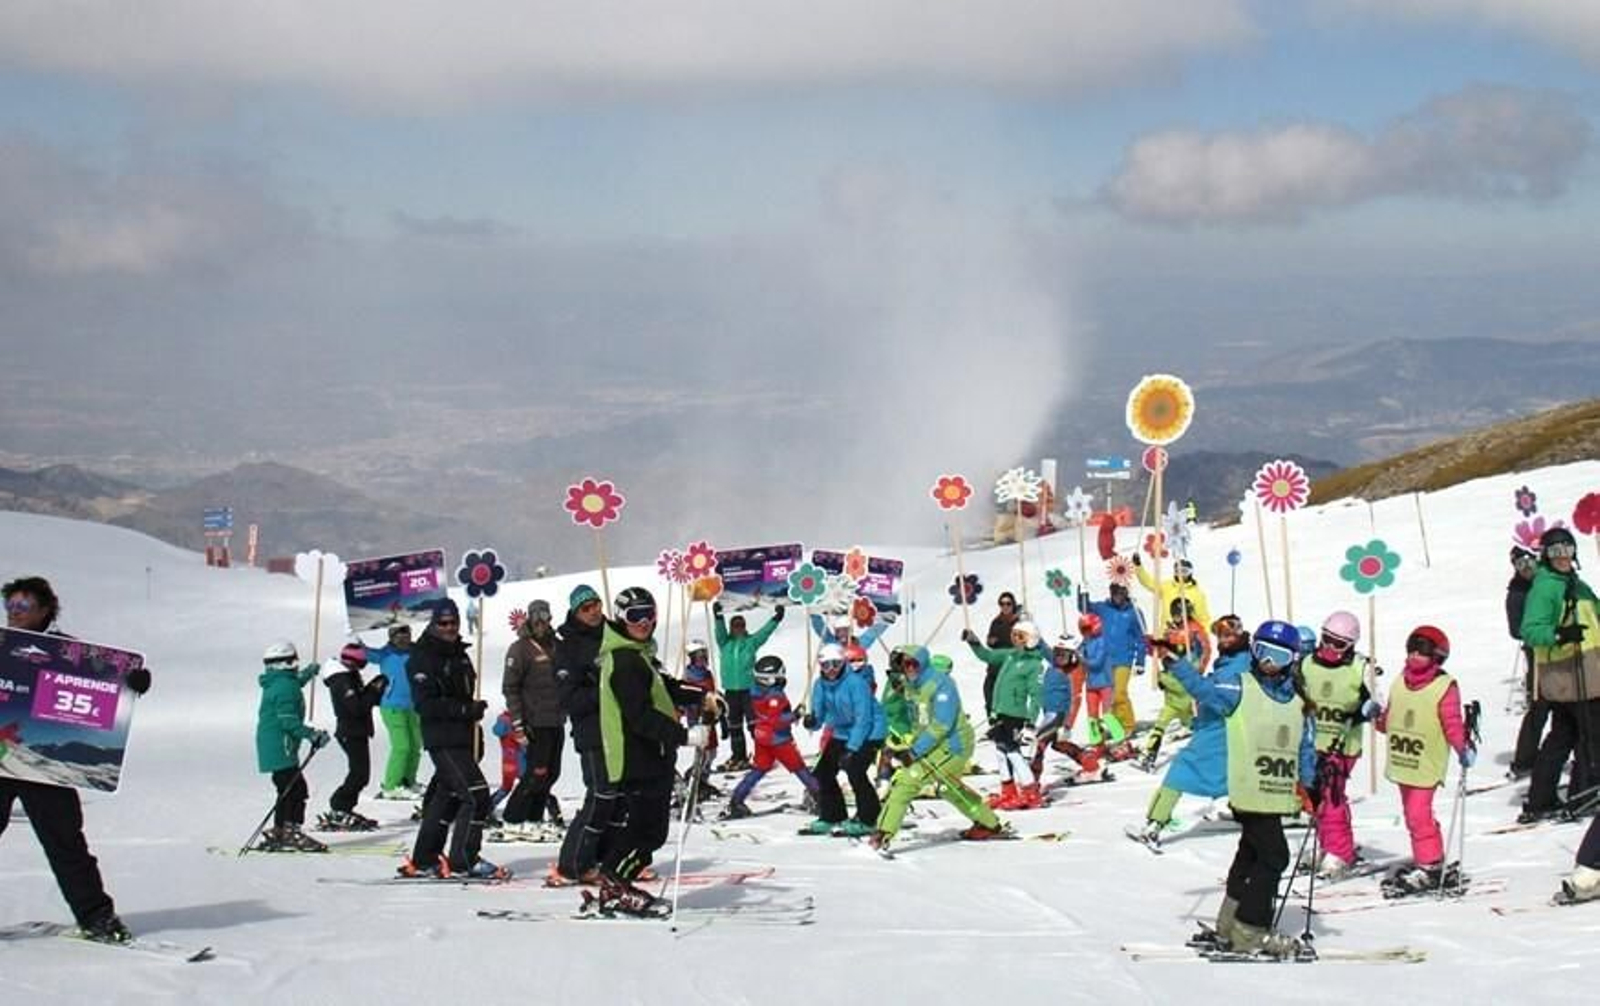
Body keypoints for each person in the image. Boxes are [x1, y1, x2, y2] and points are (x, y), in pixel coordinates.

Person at [1, 576, 151, 943]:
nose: (13, 614)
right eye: (9, 607)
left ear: (45, 609)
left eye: (22, 606)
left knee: (66, 844)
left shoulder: (70, 653)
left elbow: (105, 685)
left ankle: (97, 918)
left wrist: (134, 682)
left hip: (44, 769)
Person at [1185, 619, 1317, 958]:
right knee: (1275, 855)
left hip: (1275, 791)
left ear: (1293, 659)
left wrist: (1310, 783)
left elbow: (1304, 745)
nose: (1269, 662)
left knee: (1253, 853)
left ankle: (1229, 925)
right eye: (1262, 652)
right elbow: (1205, 691)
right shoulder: (1240, 686)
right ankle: (1250, 932)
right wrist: (1174, 663)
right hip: (1248, 788)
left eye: (1278, 655)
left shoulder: (1298, 699)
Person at [592, 587, 715, 917]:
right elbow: (639, 716)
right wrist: (685, 736)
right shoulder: (625, 660)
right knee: (646, 830)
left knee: (651, 830)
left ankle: (616, 883)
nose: (644, 622)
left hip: (652, 755)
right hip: (637, 756)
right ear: (620, 618)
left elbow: (668, 686)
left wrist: (702, 697)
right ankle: (614, 885)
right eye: (635, 616)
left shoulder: (639, 654)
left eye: (649, 614)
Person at [398, 600, 507, 880]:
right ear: (432, 625)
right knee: (477, 794)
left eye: (453, 623)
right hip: (442, 738)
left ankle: (425, 858)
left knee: (446, 799)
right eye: (443, 623)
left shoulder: (459, 654)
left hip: (463, 736)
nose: (449, 628)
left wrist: (473, 711)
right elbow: (425, 704)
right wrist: (463, 709)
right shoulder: (422, 658)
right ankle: (464, 859)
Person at [870, 646, 1010, 854]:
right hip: (933, 745)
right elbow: (917, 722)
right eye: (903, 664)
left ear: (923, 663)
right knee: (948, 788)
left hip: (954, 745)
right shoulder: (910, 686)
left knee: (906, 782)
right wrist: (903, 745)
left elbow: (941, 726)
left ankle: (882, 834)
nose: (908, 669)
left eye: (912, 663)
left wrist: (914, 752)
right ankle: (989, 823)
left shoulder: (941, 685)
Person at [1127, 615, 1250, 850]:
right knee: (1223, 777)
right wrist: (1169, 656)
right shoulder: (1230, 662)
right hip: (1213, 728)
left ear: (1240, 635)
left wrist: (1174, 662)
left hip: (1219, 733)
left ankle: (1154, 825)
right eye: (1219, 635)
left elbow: (1208, 692)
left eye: (1228, 634)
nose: (1223, 640)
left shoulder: (1239, 666)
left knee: (1180, 770)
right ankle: (1236, 809)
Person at [1373, 626, 1476, 895]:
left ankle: (1430, 865)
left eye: (1425, 650)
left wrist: (1462, 748)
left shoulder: (1444, 687)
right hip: (1403, 761)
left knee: (1419, 814)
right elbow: (1389, 721)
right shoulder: (1400, 681)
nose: (1416, 654)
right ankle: (1429, 857)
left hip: (1425, 763)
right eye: (1413, 647)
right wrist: (1377, 716)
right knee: (1413, 816)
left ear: (1438, 656)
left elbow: (1452, 723)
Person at [1519, 526, 1600, 822]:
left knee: (1563, 736)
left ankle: (1541, 798)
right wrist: (1559, 634)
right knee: (1592, 736)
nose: (1563, 557)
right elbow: (1529, 630)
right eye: (1555, 552)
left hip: (1586, 671)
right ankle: (1586, 794)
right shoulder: (1546, 587)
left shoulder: (1576, 584)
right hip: (1571, 674)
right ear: (1546, 555)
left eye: (1567, 550)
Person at [1295, 611, 1376, 878]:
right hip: (1312, 743)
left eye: (1338, 644)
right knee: (1315, 796)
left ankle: (1340, 851)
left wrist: (1363, 710)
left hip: (1342, 744)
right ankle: (1326, 843)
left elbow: (1379, 701)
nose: (1330, 648)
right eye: (1327, 640)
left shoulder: (1359, 668)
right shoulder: (1307, 663)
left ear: (1351, 645)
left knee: (1332, 795)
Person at [551, 584, 609, 886]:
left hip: (621, 730)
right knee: (600, 796)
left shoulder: (612, 632)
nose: (594, 612)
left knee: (619, 798)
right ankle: (572, 863)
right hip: (591, 731)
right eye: (586, 608)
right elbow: (566, 698)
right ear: (575, 612)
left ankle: (606, 860)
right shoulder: (567, 645)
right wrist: (602, 692)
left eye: (596, 604)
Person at [723, 654, 821, 820]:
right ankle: (821, 799)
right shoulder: (775, 696)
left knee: (759, 769)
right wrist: (795, 715)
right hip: (779, 740)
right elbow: (776, 720)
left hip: (762, 736)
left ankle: (737, 800)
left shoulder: (755, 691)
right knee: (799, 768)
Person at [254, 639, 330, 853]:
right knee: (296, 789)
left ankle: (280, 829)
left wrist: (308, 673)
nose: (296, 663)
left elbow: (293, 684)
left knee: (286, 788)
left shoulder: (279, 682)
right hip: (281, 746)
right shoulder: (285, 687)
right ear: (284, 663)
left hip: (274, 745)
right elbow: (288, 721)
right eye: (293, 660)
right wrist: (312, 734)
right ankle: (291, 831)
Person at [802, 644, 886, 835]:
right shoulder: (819, 685)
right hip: (842, 731)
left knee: (855, 770)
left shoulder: (856, 683)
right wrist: (812, 721)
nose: (831, 670)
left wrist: (852, 748)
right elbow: (820, 714)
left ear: (843, 663)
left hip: (871, 731)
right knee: (823, 772)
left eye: (835, 664)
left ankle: (869, 818)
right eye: (825, 665)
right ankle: (833, 815)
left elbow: (863, 719)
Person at [499, 599, 566, 840]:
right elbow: (510, 687)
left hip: (556, 720)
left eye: (544, 615)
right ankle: (512, 818)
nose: (540, 620)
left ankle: (533, 818)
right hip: (534, 721)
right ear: (528, 618)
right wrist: (517, 722)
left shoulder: (557, 646)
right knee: (536, 773)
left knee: (551, 773)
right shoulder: (520, 648)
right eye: (535, 615)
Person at [962, 621, 1045, 809]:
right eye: (1014, 635)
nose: (1015, 639)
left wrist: (1031, 723)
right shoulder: (1010, 656)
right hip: (1001, 711)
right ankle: (1008, 791)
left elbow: (1036, 695)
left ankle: (1031, 792)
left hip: (1016, 714)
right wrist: (973, 642)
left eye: (1021, 636)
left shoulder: (1033, 664)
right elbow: (988, 656)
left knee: (1012, 752)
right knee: (1000, 752)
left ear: (1031, 640)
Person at [318, 641, 387, 831]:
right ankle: (339, 807)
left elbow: (361, 700)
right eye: (361, 663)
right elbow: (356, 707)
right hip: (350, 731)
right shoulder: (341, 679)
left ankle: (344, 808)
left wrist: (375, 690)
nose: (362, 668)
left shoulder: (349, 675)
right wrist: (374, 690)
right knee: (359, 774)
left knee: (360, 774)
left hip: (357, 730)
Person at [713, 602, 785, 772]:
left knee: (755, 725)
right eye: (735, 625)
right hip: (731, 691)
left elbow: (764, 633)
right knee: (734, 726)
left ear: (744, 627)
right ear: (731, 627)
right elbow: (719, 631)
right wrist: (718, 616)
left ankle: (765, 754)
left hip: (748, 690)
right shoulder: (725, 643)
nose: (738, 628)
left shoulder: (751, 642)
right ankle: (739, 757)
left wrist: (776, 619)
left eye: (741, 625)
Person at [1137, 598, 1208, 771]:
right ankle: (1150, 754)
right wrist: (1152, 645)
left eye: (1180, 614)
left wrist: (1199, 669)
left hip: (1185, 686)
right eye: (1175, 614)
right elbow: (1162, 652)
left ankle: (1206, 752)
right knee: (1162, 723)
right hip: (1171, 691)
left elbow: (1205, 650)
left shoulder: (1195, 629)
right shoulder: (1171, 630)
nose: (1177, 617)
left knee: (1191, 722)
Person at [1080, 582, 1148, 735]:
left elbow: (1141, 638)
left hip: (1124, 658)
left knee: (1119, 693)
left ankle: (1128, 725)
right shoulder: (1103, 608)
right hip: (1105, 660)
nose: (1118, 596)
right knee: (1110, 697)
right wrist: (1082, 593)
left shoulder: (1134, 612)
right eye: (1115, 593)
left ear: (1126, 593)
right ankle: (1116, 726)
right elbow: (1084, 608)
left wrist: (1140, 661)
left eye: (1121, 593)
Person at [368, 624, 423, 800]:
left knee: (415, 745)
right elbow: (364, 653)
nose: (403, 639)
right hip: (392, 705)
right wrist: (355, 639)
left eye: (406, 634)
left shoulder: (417, 651)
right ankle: (391, 785)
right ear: (391, 637)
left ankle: (408, 781)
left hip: (414, 705)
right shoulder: (385, 654)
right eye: (398, 635)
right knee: (402, 746)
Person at [1507, 546, 1547, 779]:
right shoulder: (1517, 593)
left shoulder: (1548, 582)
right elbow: (1515, 629)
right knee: (1538, 706)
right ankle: (1525, 759)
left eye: (1529, 562)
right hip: (1537, 655)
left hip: (1562, 654)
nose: (1526, 569)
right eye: (1520, 565)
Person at [1077, 611, 1131, 770]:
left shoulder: (1102, 642)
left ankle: (1122, 741)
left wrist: (1082, 658)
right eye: (1082, 630)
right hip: (1091, 685)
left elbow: (1096, 663)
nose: (1085, 633)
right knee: (1092, 718)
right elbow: (1077, 655)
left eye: (1087, 629)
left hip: (1105, 683)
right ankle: (1097, 744)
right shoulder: (1084, 643)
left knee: (1107, 715)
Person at [1131, 554, 1214, 640]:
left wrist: (1201, 634)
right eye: (1178, 571)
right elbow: (1149, 583)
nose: (1181, 574)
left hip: (1185, 638)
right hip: (1165, 635)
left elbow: (1204, 619)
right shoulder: (1167, 586)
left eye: (1184, 571)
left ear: (1190, 573)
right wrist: (1138, 567)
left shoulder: (1197, 594)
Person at [978, 592, 1022, 715]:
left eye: (1008, 603)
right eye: (1002, 603)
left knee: (1007, 696)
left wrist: (1002, 641)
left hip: (1011, 665)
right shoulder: (996, 622)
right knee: (989, 691)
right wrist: (990, 641)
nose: (1005, 606)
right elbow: (991, 640)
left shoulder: (1019, 622)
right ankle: (991, 718)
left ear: (1013, 604)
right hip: (995, 665)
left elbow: (1022, 642)